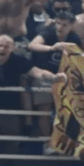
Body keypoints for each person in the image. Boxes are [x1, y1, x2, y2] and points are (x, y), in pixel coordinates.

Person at [28, 11, 80, 141]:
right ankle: (47, 142)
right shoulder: (48, 33)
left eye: (64, 24)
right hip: (43, 75)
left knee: (67, 109)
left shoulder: (74, 38)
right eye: (58, 23)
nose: (60, 27)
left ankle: (62, 141)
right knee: (44, 109)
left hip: (64, 78)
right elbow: (32, 45)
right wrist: (52, 48)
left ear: (72, 26)